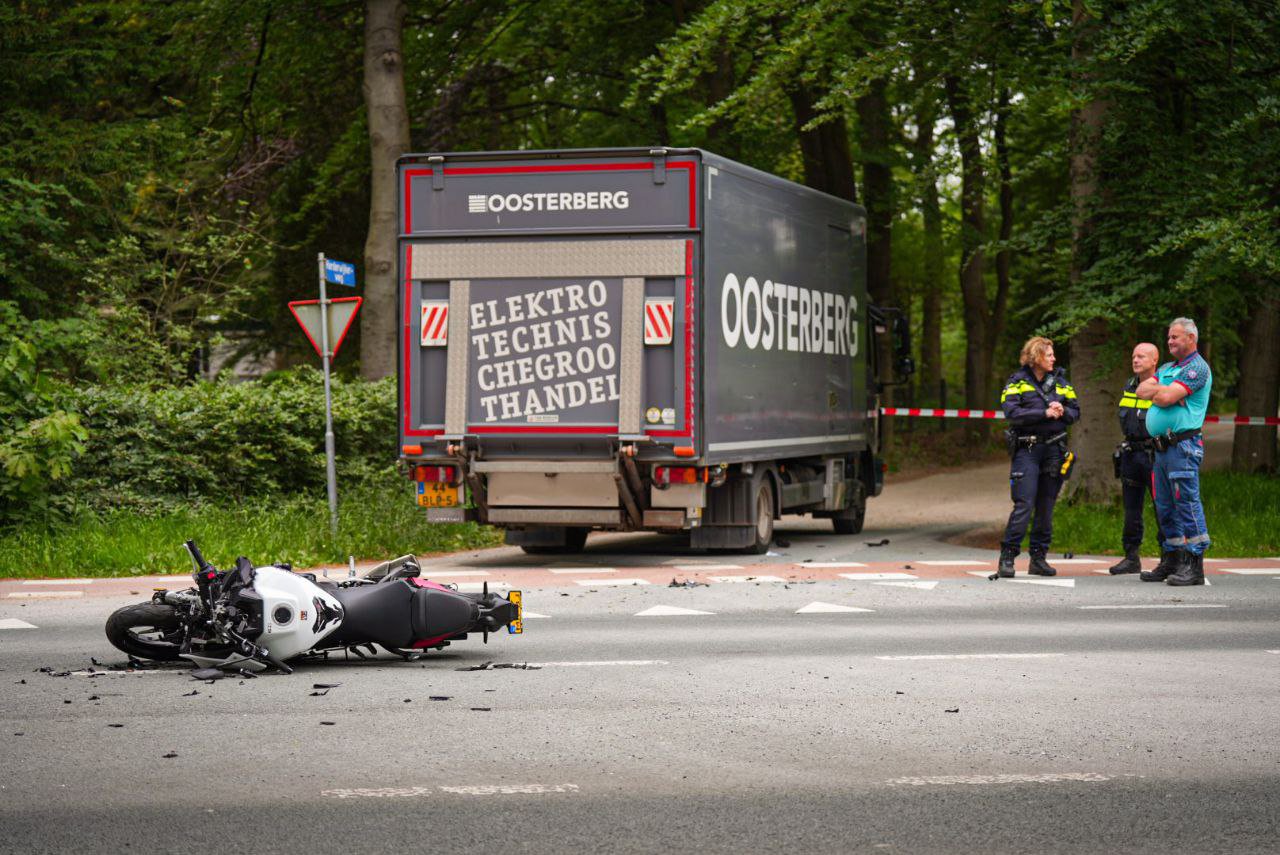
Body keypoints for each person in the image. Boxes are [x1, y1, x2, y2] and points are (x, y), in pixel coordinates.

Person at [1136, 317, 1212, 586]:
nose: (1169, 341)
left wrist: (1165, 393)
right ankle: (1172, 559)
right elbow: (1141, 388)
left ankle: (1194, 565)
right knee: (1165, 506)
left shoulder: (1197, 368)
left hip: (1182, 446)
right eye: (1168, 337)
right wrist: (1164, 391)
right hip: (1161, 449)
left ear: (1191, 338)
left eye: (1175, 337)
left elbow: (1165, 397)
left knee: (1186, 503)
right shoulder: (1168, 367)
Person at [997, 336, 1080, 577]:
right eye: (1049, 354)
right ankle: (1008, 557)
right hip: (1028, 450)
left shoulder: (1062, 383)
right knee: (1024, 504)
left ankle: (1039, 558)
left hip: (1054, 450)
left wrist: (1063, 411)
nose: (1054, 358)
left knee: (1046, 507)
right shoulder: (1017, 382)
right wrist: (1043, 413)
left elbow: (1076, 411)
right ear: (1035, 357)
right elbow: (1011, 412)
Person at [1108, 343, 1166, 575]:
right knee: (1131, 510)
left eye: (1141, 356)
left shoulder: (1163, 385)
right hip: (1131, 454)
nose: (1135, 360)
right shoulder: (1129, 385)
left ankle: (1167, 557)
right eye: (1133, 356)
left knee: (1162, 508)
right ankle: (1131, 557)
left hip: (1154, 455)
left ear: (1154, 360)